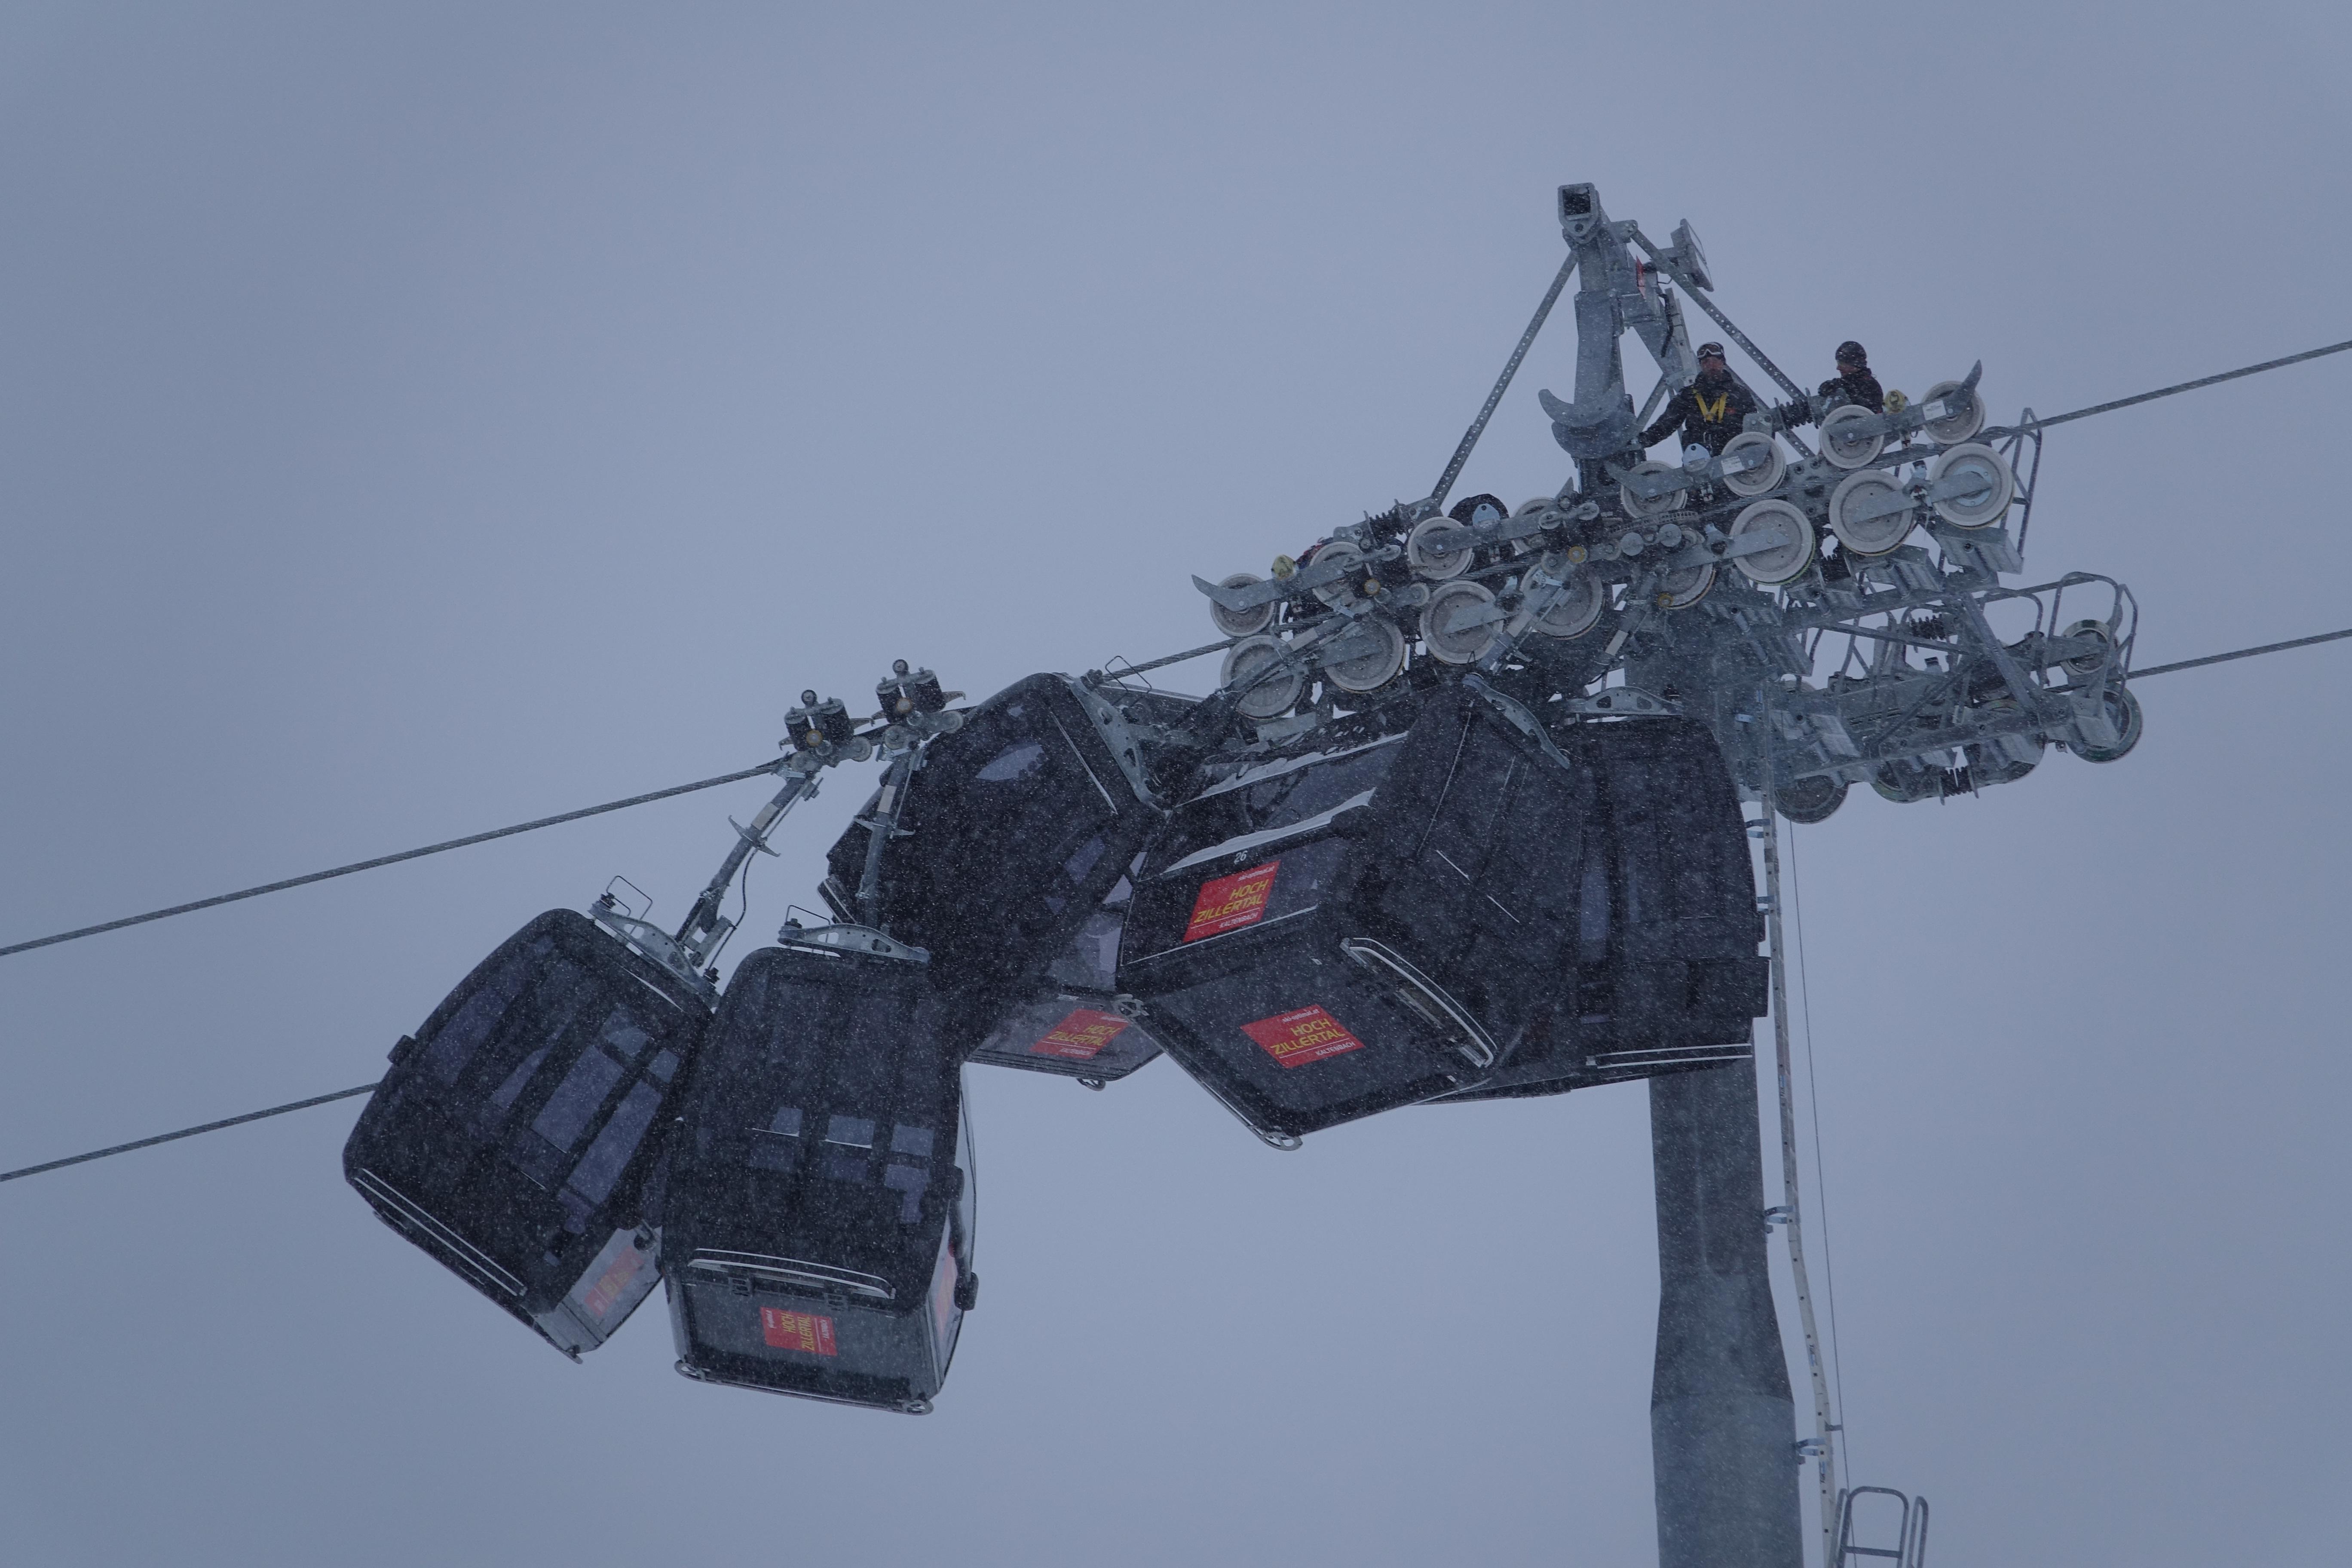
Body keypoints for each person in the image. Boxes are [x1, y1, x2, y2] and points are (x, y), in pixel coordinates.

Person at [1639, 342, 1756, 456]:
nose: (1711, 366)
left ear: (1723, 363)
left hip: (1734, 456)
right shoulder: (1689, 395)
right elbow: (1667, 423)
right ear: (1701, 365)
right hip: (1699, 461)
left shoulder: (1739, 394)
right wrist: (1642, 441)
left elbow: (1755, 425)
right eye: (1706, 362)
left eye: (1715, 361)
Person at [1819, 340, 1885, 414]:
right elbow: (1825, 409)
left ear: (1856, 365)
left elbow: (1870, 414)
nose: (1838, 368)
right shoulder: (1843, 384)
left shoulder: (1871, 387)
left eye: (1842, 364)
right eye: (1838, 363)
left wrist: (1848, 392)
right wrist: (1810, 408)